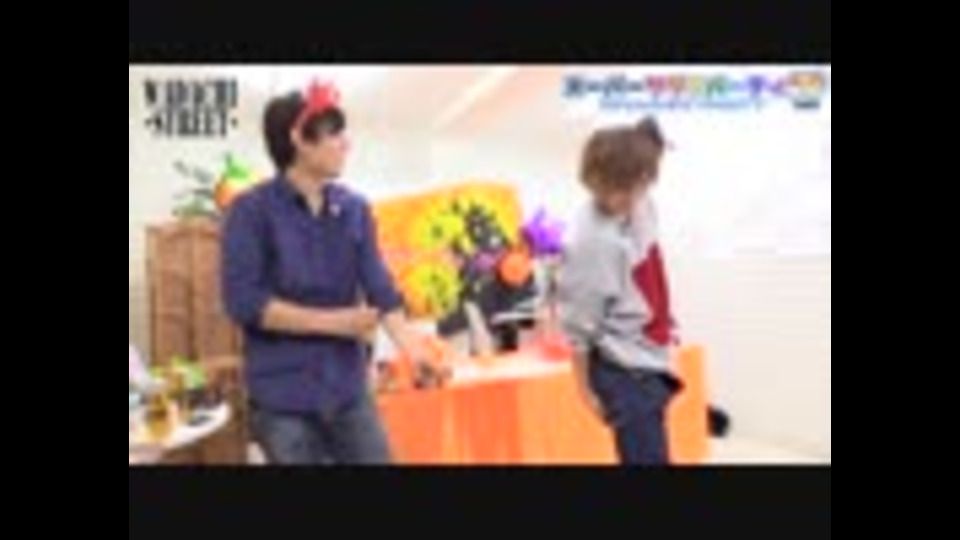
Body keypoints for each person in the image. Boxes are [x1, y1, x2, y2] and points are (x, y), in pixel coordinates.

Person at [221, 82, 429, 465]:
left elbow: (380, 287)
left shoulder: (354, 210)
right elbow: (244, 302)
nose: (346, 144)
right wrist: (336, 323)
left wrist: (414, 350)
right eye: (335, 134)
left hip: (348, 393)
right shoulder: (250, 212)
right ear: (299, 139)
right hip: (284, 402)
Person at [557, 119, 682, 466]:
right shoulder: (590, 241)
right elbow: (579, 325)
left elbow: (650, 138)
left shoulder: (642, 202)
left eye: (629, 189)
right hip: (623, 370)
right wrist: (583, 388)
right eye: (607, 190)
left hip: (649, 357)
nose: (617, 200)